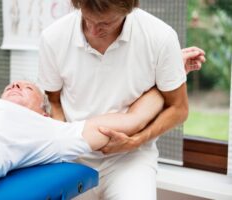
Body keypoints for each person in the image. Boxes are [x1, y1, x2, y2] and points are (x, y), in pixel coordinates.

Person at [37, 0, 206, 199]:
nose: (92, 30)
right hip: (75, 156)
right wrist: (64, 149)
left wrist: (137, 141)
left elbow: (179, 109)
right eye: (88, 19)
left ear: (129, 9)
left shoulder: (160, 37)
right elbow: (54, 102)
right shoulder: (53, 37)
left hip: (130, 157)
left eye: (105, 23)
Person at [0, 80, 163, 199]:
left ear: (42, 112)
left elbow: (134, 119)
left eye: (27, 88)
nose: (15, 85)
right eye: (11, 85)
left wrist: (167, 79)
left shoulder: (48, 128)